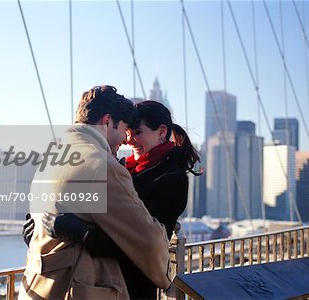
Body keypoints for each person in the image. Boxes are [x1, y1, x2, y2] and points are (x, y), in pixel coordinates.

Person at [25, 100, 201, 299]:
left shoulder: (172, 179)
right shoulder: (121, 168)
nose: (129, 140)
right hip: (100, 280)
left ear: (161, 132)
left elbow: (147, 244)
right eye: (128, 132)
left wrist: (81, 235)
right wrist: (39, 229)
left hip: (133, 285)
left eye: (137, 132)